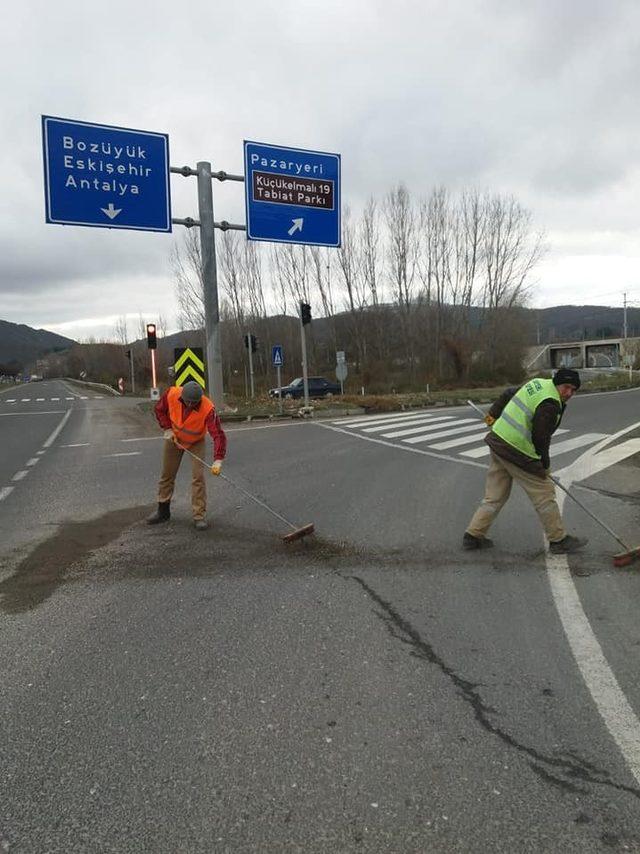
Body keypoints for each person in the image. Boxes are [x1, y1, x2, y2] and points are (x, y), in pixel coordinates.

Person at [463, 368, 587, 554]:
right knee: (544, 493)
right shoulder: (550, 404)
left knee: (495, 495)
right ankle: (558, 540)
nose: (569, 393)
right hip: (516, 450)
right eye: (566, 387)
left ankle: (473, 536)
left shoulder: (538, 383)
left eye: (573, 390)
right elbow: (540, 437)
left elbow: (508, 393)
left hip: (498, 441)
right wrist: (543, 464)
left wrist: (493, 416)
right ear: (557, 384)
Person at [147, 381, 227, 530]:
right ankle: (163, 511)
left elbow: (218, 435)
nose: (190, 405)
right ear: (182, 396)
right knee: (167, 475)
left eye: (194, 403)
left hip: (196, 442)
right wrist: (167, 428)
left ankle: (199, 516)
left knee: (198, 478)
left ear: (199, 400)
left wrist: (218, 460)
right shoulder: (172, 394)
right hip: (174, 438)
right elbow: (159, 410)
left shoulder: (208, 408)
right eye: (187, 402)